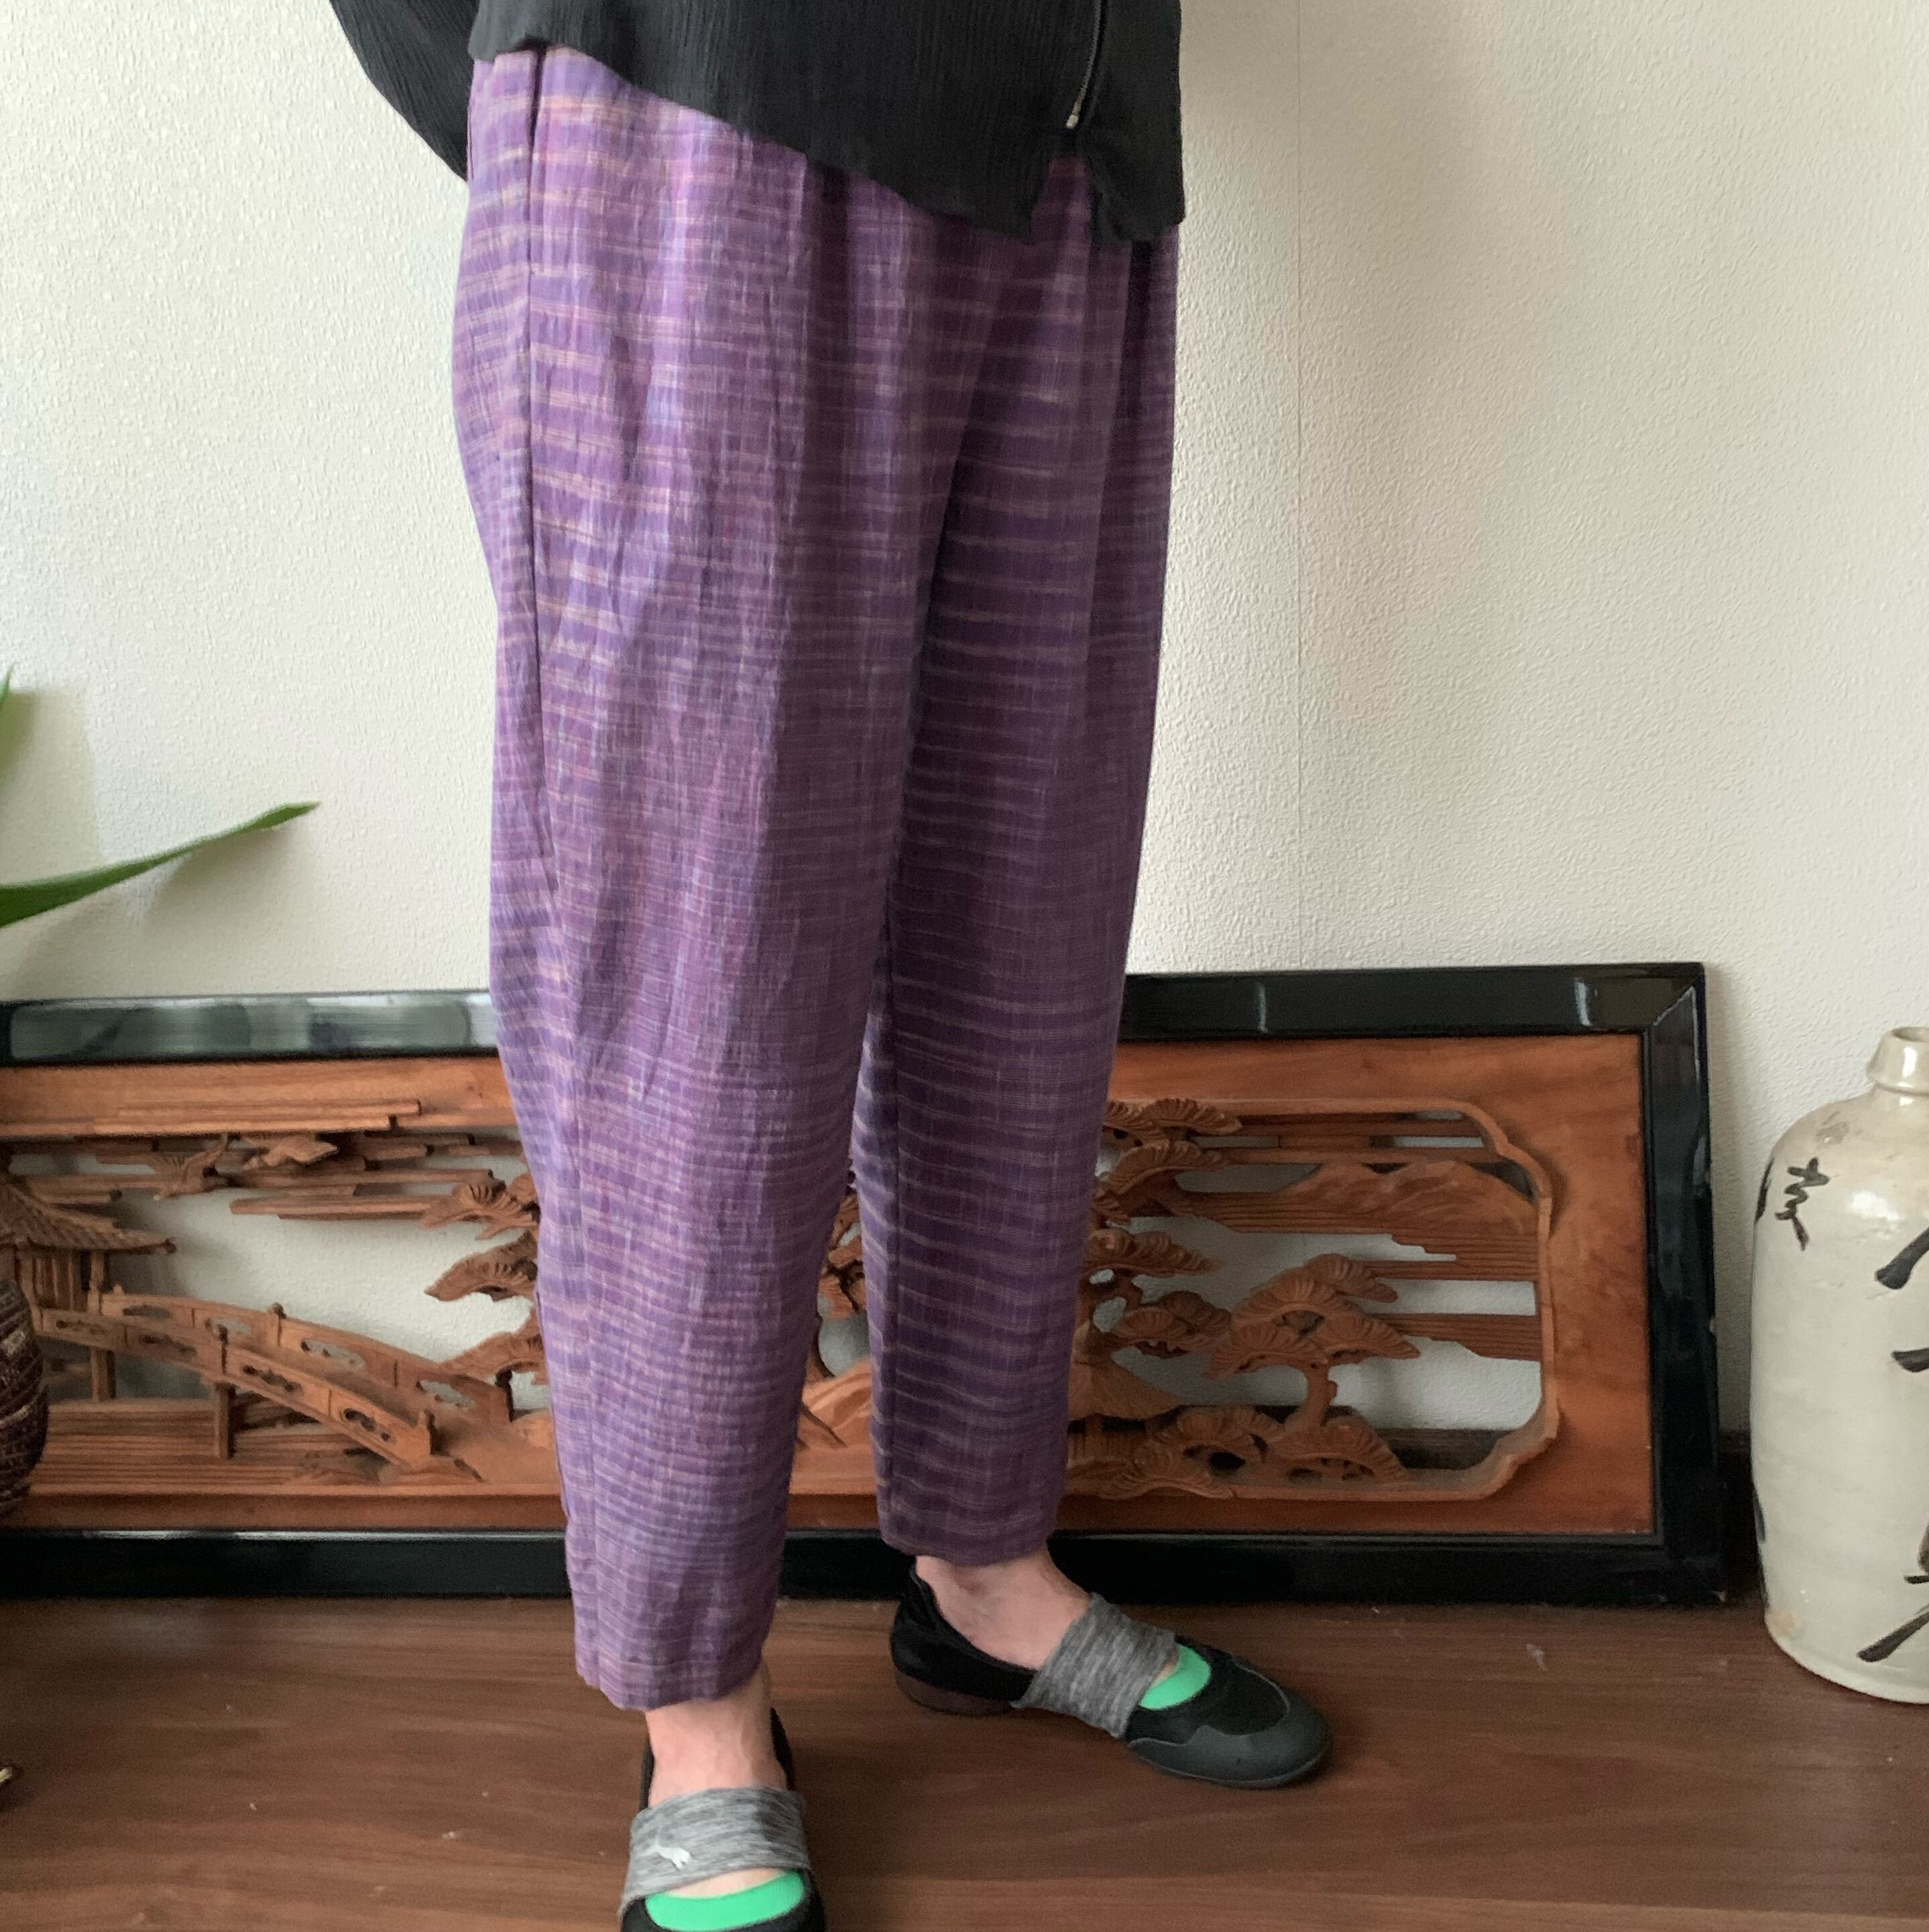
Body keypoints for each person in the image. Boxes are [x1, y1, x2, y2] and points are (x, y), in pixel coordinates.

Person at [326, 5, 1333, 1927]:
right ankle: (695, 1699)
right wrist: (589, 80)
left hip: (1075, 154)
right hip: (704, 122)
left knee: (1021, 928)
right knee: (695, 976)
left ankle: (984, 1569)